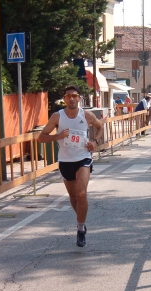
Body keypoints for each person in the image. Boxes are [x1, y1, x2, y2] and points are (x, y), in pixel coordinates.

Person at [38, 85, 103, 247]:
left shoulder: (86, 115)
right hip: (66, 161)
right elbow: (41, 138)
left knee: (81, 194)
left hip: (83, 159)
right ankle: (81, 220)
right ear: (64, 99)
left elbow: (100, 127)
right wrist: (58, 136)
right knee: (73, 197)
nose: (72, 99)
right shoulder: (57, 117)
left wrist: (95, 142)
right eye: (68, 96)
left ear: (79, 98)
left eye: (75, 96)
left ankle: (80, 229)